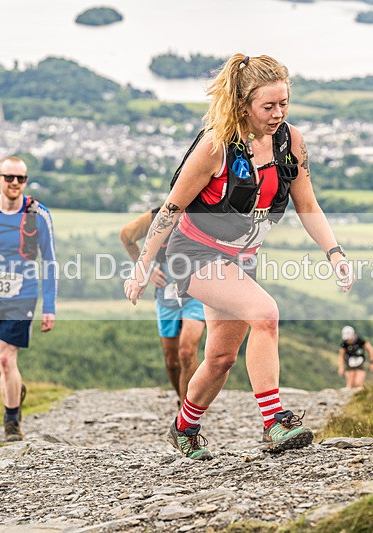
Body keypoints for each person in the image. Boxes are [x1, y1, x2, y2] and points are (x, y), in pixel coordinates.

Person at [124, 54, 354, 460]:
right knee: (265, 313)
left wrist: (334, 252)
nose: (278, 113)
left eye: (284, 103)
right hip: (192, 253)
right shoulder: (216, 146)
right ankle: (274, 423)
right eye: (269, 106)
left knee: (220, 358)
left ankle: (183, 428)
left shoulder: (290, 141)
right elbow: (170, 209)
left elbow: (307, 204)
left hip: (239, 258)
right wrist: (143, 266)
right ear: (243, 103)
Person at [0, 156, 57, 442]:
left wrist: (49, 307)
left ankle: (12, 423)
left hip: (24, 293)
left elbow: (50, 261)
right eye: (9, 178)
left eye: (20, 179)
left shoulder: (38, 215)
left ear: (25, 182)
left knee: (6, 359)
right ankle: (16, 394)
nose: (15, 183)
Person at [120, 208, 206, 404]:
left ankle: (187, 413)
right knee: (172, 361)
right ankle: (182, 399)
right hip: (166, 292)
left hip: (197, 288)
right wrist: (147, 270)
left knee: (186, 352)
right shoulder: (158, 215)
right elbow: (126, 235)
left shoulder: (204, 211)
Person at [337, 325, 373, 390]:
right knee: (350, 383)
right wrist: (341, 367)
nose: (348, 341)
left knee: (358, 383)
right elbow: (341, 355)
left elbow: (370, 349)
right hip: (349, 363)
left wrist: (372, 362)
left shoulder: (360, 340)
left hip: (360, 363)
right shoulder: (344, 344)